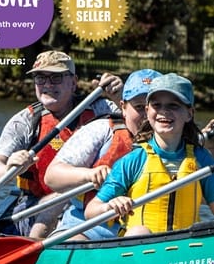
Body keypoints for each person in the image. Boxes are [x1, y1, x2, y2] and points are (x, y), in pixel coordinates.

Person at [0, 50, 123, 239]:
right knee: (62, 195)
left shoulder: (101, 108)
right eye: (40, 78)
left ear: (73, 82)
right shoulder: (26, 121)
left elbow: (138, 122)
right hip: (36, 205)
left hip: (94, 201)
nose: (47, 85)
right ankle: (34, 248)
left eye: (56, 78)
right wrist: (10, 168)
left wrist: (119, 96)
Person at [85, 73, 214, 237]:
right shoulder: (134, 160)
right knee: (139, 231)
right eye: (156, 105)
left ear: (189, 113)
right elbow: (91, 210)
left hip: (184, 252)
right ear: (147, 111)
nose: (164, 112)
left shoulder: (201, 158)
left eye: (173, 105)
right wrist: (109, 206)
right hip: (140, 252)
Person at [44, 69, 162, 240]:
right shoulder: (102, 130)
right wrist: (90, 174)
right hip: (89, 226)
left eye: (154, 107)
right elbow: (52, 177)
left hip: (149, 229)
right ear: (123, 107)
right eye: (138, 108)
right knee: (75, 242)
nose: (147, 116)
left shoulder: (176, 142)